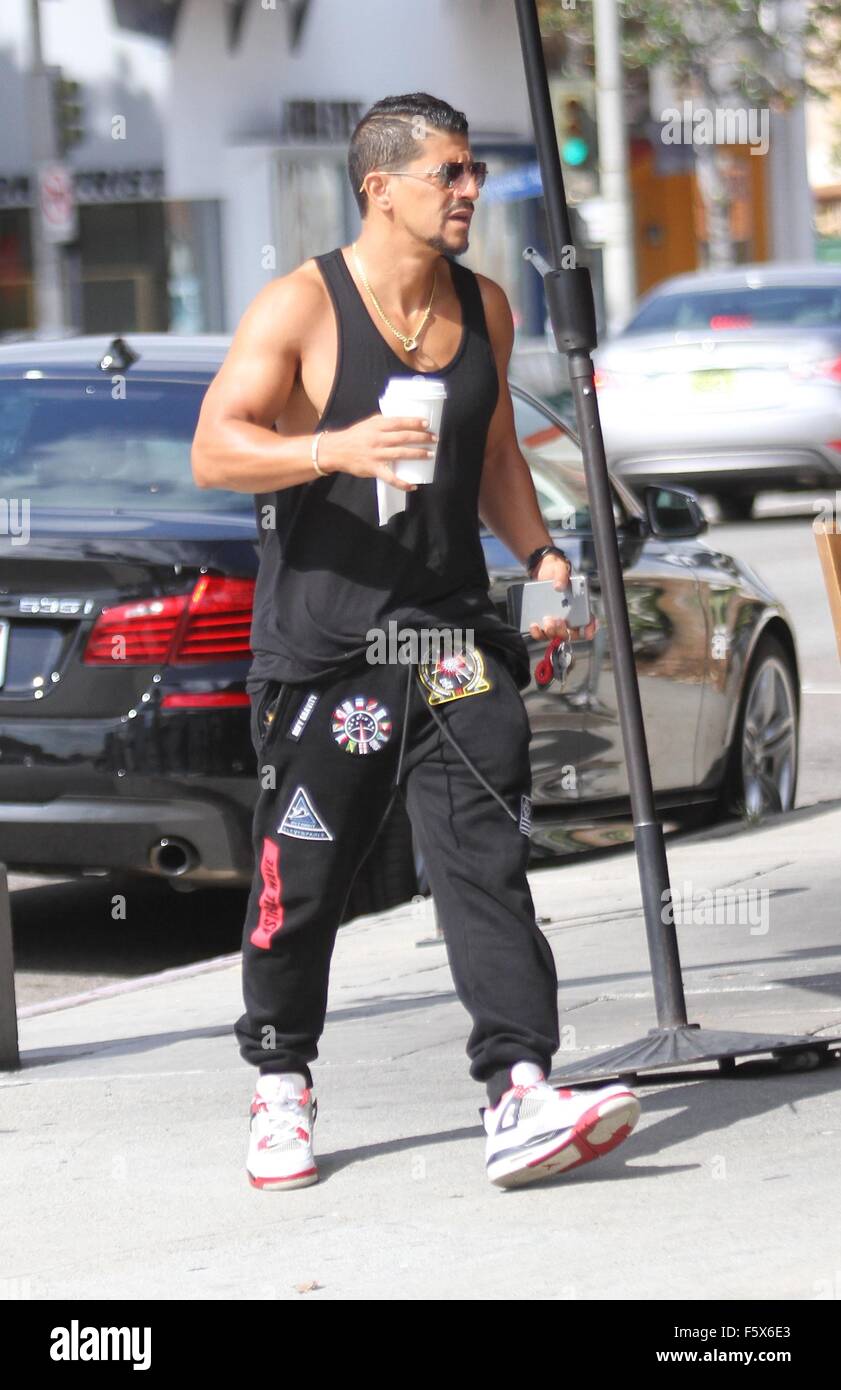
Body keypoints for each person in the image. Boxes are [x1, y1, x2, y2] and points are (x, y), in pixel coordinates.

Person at [191, 92, 640, 1191]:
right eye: (449, 173)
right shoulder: (300, 306)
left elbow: (491, 455)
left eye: (471, 172)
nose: (469, 190)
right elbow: (215, 447)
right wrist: (329, 447)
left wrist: (538, 554)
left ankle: (519, 1087)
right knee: (301, 877)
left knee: (485, 861)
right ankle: (281, 1079)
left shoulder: (484, 305)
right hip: (328, 647)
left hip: (449, 635)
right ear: (379, 186)